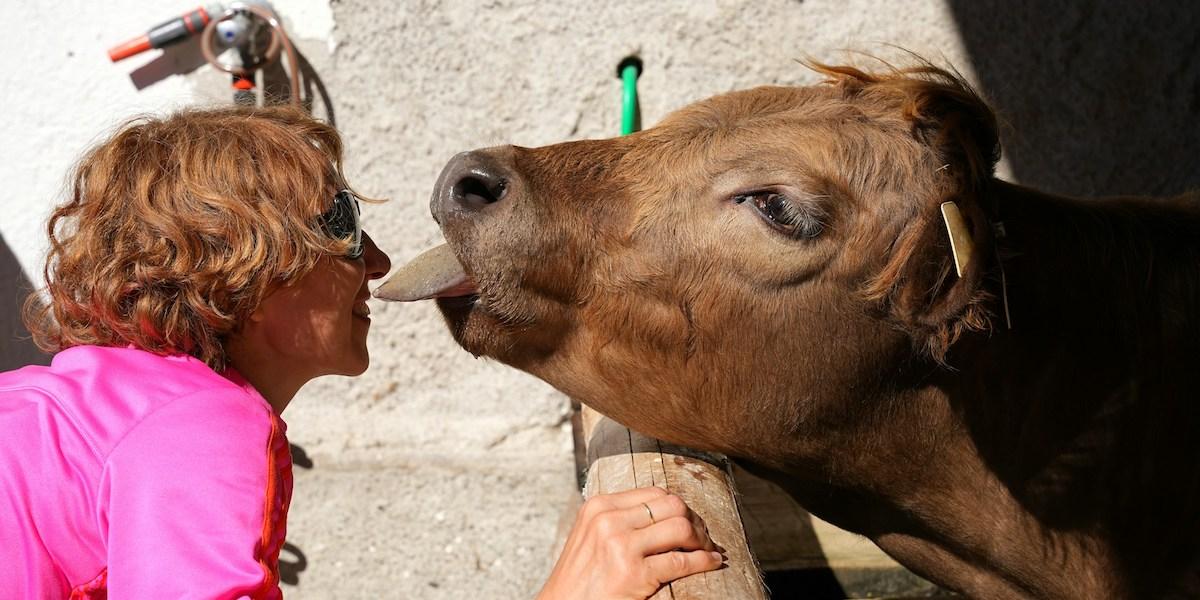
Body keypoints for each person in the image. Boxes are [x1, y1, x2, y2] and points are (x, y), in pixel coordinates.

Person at [0, 105, 723, 598]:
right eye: (341, 225)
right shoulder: (192, 425)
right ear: (242, 262)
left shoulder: (94, 411)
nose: (376, 263)